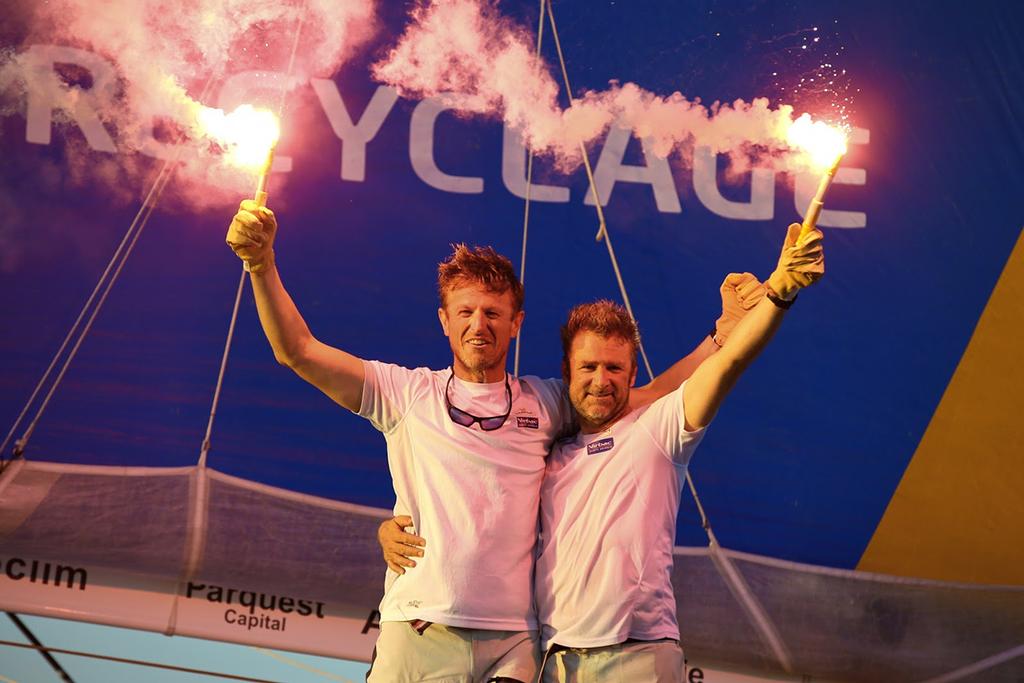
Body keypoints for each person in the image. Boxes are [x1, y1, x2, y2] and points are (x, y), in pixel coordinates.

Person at [225, 199, 763, 682]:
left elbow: (644, 397)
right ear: (444, 320)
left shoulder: (546, 402)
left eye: (492, 312)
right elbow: (297, 350)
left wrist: (721, 336)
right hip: (419, 630)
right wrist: (261, 264)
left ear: (516, 323)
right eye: (465, 311)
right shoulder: (404, 393)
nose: (478, 324)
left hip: (514, 646)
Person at [381, 222, 824, 682]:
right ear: (566, 374)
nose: (600, 379)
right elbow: (477, 519)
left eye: (614, 368)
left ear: (631, 376)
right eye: (588, 367)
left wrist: (779, 294)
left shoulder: (661, 430)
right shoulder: (547, 454)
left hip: (638, 658)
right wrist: (392, 525)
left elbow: (729, 365)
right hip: (556, 663)